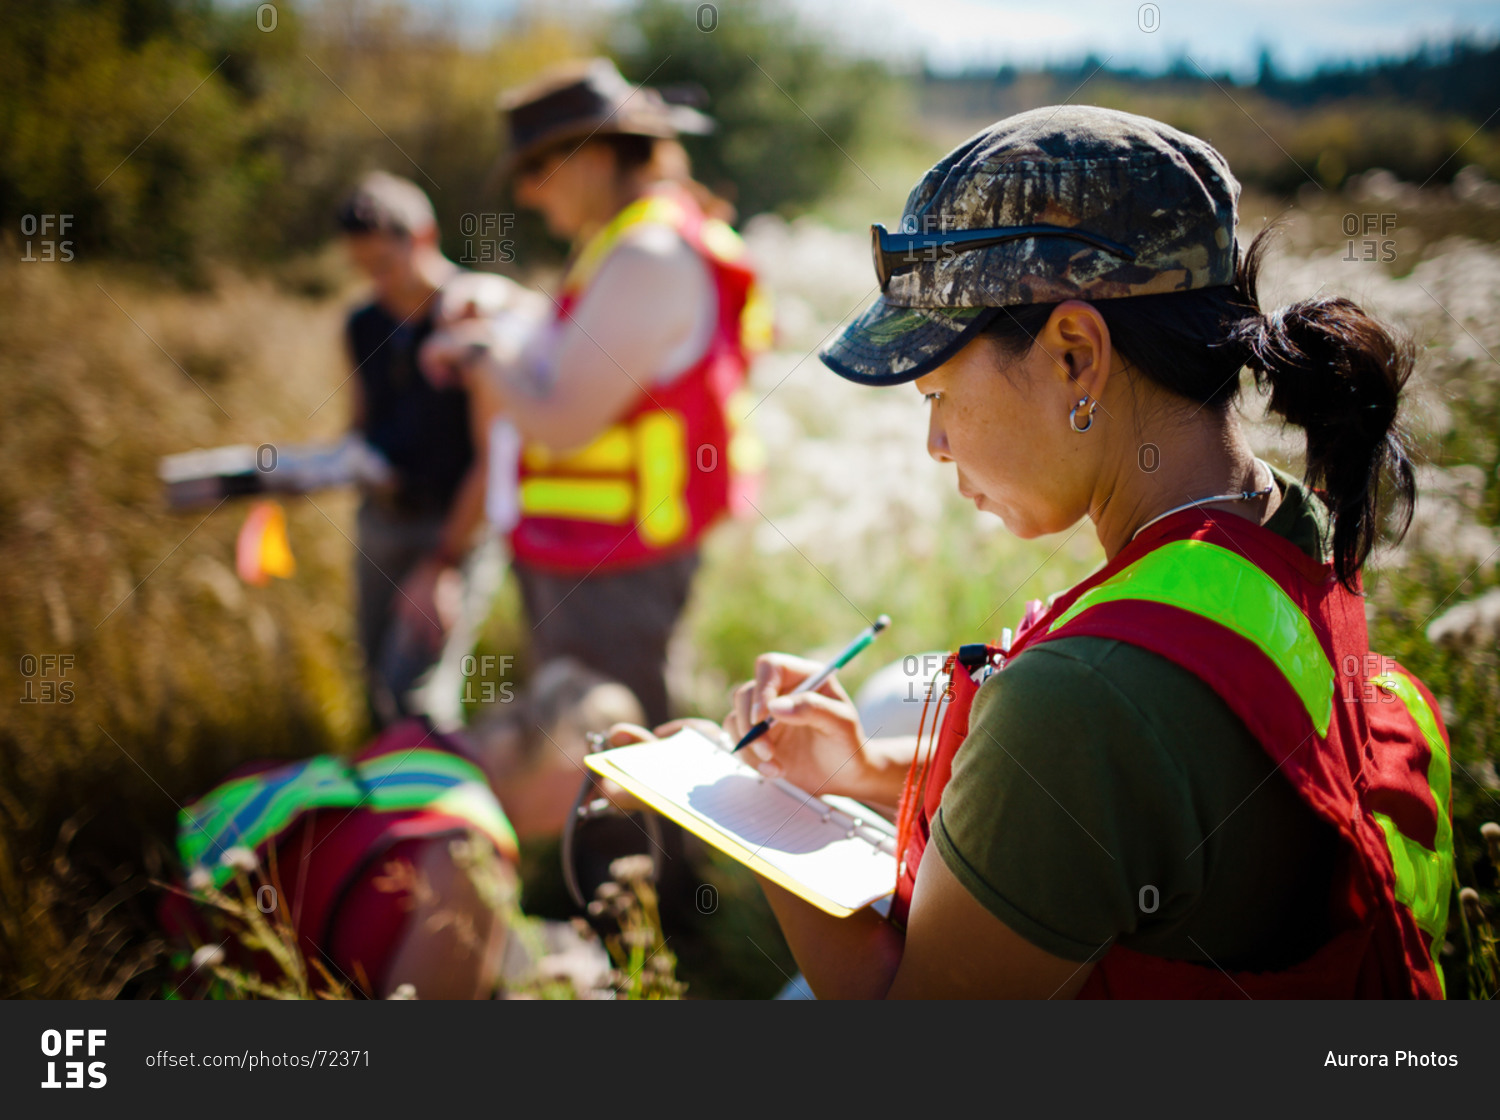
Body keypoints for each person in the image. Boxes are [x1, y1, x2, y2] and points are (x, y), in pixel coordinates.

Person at [615, 106, 1454, 999]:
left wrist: (747, 817)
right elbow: (1157, 807)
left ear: (1075, 356)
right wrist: (867, 775)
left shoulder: (1082, 696)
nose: (934, 444)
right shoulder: (1282, 528)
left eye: (936, 391)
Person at [420, 58, 768, 728]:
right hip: (595, 549)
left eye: (534, 170)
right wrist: (502, 303)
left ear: (593, 157)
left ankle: (644, 843)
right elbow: (581, 347)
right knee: (604, 749)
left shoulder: (647, 255)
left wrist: (479, 356)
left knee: (617, 762)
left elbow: (561, 421)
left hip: (614, 565)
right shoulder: (624, 243)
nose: (526, 193)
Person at [160, 660, 642, 999]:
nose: (585, 816)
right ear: (571, 769)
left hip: (178, 933)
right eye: (593, 795)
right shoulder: (473, 854)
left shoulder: (423, 742)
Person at [338, 171, 522, 726]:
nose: (377, 282)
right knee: (376, 686)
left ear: (423, 236)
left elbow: (492, 461)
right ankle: (383, 809)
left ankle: (445, 808)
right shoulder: (361, 324)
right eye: (363, 269)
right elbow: (359, 426)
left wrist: (442, 564)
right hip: (382, 524)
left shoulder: (470, 317)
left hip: (454, 529)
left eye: (386, 266)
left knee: (415, 700)